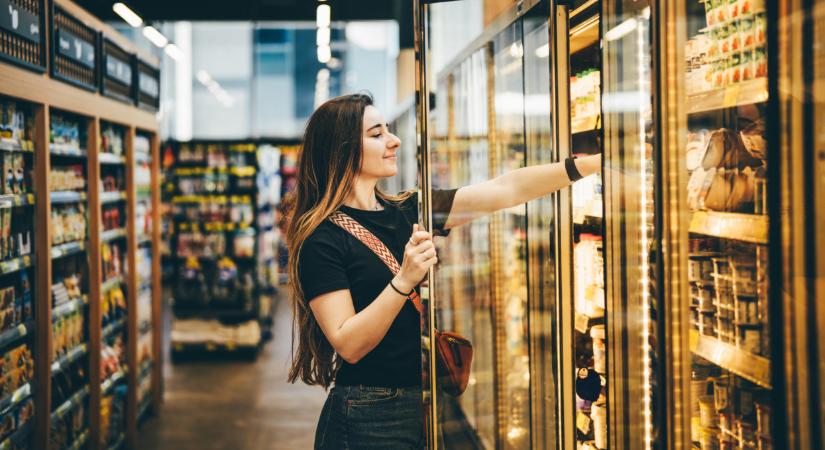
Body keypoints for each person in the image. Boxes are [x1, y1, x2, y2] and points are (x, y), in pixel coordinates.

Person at [286, 93, 601, 449]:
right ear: (341, 149)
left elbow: (505, 190)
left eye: (388, 130)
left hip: (424, 402)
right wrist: (404, 280)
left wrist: (590, 166)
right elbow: (349, 344)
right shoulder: (322, 239)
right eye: (377, 134)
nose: (394, 140)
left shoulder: (408, 209)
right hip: (367, 413)